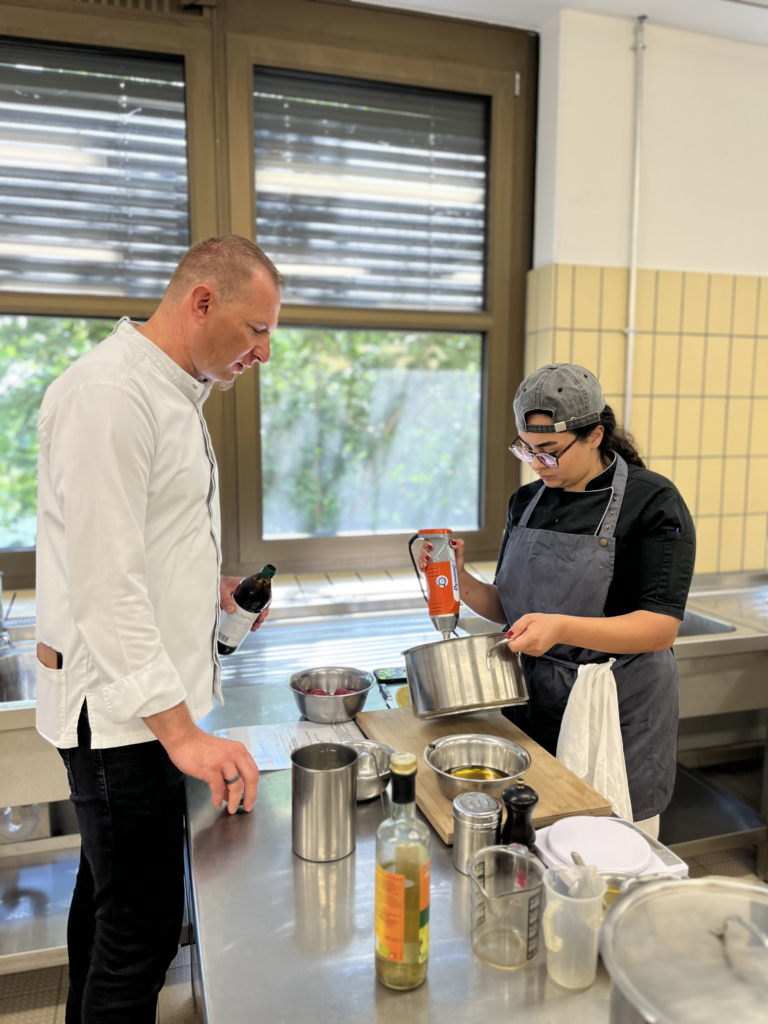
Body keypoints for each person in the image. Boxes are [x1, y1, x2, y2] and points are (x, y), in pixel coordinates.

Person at [35, 235, 283, 1023]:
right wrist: (183, 735)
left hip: (139, 713)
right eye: (257, 330)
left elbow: (135, 549)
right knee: (140, 937)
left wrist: (209, 590)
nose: (265, 354)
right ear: (201, 302)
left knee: (109, 909)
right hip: (123, 722)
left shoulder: (170, 394)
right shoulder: (111, 395)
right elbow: (106, 587)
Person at [419, 363, 695, 837]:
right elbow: (512, 607)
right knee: (537, 837)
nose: (536, 463)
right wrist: (458, 579)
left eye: (549, 451)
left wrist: (560, 628)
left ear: (594, 435)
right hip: (534, 701)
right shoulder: (527, 501)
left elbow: (659, 627)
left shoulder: (651, 502)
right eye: (526, 449)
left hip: (616, 706)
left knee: (615, 852)